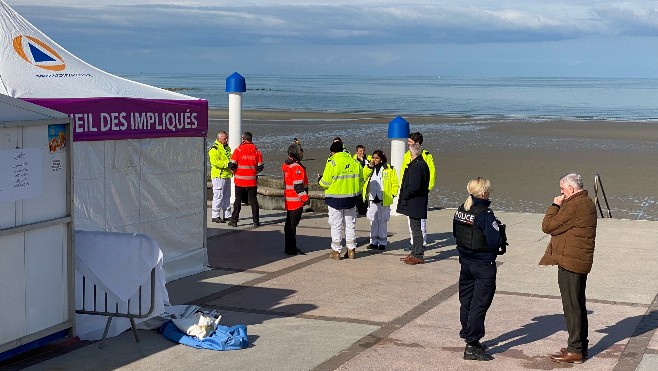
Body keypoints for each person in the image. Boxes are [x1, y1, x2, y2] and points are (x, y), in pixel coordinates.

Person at [541, 173, 597, 364]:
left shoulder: (574, 205)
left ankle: (575, 349)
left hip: (571, 261)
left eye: (562, 189)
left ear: (571, 189)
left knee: (572, 305)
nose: (561, 193)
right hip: (579, 259)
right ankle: (580, 345)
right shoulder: (586, 201)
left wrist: (555, 205)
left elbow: (548, 226)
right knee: (578, 303)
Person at [453, 177, 507, 361]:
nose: (490, 193)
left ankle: (470, 338)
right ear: (483, 193)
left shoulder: (461, 209)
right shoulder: (485, 215)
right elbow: (493, 241)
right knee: (479, 305)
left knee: (466, 301)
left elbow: (456, 234)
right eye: (489, 191)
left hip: (465, 263)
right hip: (483, 266)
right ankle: (472, 344)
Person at [319, 141, 362, 260]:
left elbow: (325, 183)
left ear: (333, 151)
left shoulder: (332, 162)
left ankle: (336, 251)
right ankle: (351, 249)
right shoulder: (354, 162)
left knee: (336, 224)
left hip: (335, 199)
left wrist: (319, 180)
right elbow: (361, 180)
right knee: (350, 224)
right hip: (351, 198)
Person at [400, 132, 436, 249]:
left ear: (417, 143)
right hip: (409, 191)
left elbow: (431, 174)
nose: (408, 144)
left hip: (420, 193)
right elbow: (403, 173)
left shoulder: (426, 155)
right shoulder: (406, 155)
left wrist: (426, 189)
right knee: (410, 220)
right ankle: (413, 243)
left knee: (420, 220)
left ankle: (422, 243)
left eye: (410, 142)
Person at [397, 143, 430, 265]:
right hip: (417, 201)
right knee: (415, 228)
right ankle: (415, 252)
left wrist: (405, 195)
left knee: (416, 229)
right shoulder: (421, 164)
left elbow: (414, 186)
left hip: (415, 202)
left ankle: (418, 254)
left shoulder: (417, 165)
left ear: (412, 153)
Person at [362, 150, 398, 250]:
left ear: (382, 159)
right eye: (373, 157)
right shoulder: (369, 168)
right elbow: (362, 177)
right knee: (373, 220)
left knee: (383, 220)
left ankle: (382, 242)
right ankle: (373, 241)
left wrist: (393, 194)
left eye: (377, 158)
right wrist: (369, 167)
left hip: (384, 198)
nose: (374, 160)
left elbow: (395, 183)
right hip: (372, 197)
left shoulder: (389, 169)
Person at [227, 132, 264, 227]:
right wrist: (254, 172)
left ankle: (234, 220)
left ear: (243, 139)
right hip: (251, 180)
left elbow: (231, 164)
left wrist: (234, 171)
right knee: (253, 200)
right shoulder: (256, 151)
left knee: (238, 199)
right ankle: (256, 221)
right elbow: (260, 166)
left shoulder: (238, 150)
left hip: (240, 180)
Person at [282, 143, 309, 256]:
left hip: (289, 199)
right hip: (296, 201)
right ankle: (292, 248)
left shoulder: (288, 165)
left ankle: (288, 247)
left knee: (289, 225)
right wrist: (305, 199)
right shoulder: (296, 167)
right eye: (300, 151)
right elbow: (298, 186)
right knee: (292, 225)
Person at [208, 131, 232, 223]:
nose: (226, 140)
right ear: (219, 138)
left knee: (227, 196)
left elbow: (231, 157)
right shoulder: (214, 149)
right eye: (224, 138)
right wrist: (227, 164)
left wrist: (233, 164)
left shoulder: (227, 148)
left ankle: (227, 215)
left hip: (227, 175)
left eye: (226, 138)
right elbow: (215, 162)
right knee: (218, 196)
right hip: (218, 176)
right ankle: (215, 216)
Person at [353, 144, 372, 216]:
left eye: (363, 151)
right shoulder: (353, 162)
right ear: (356, 152)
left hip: (367, 186)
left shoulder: (368, 160)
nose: (362, 153)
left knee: (365, 207)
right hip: (357, 186)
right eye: (360, 151)